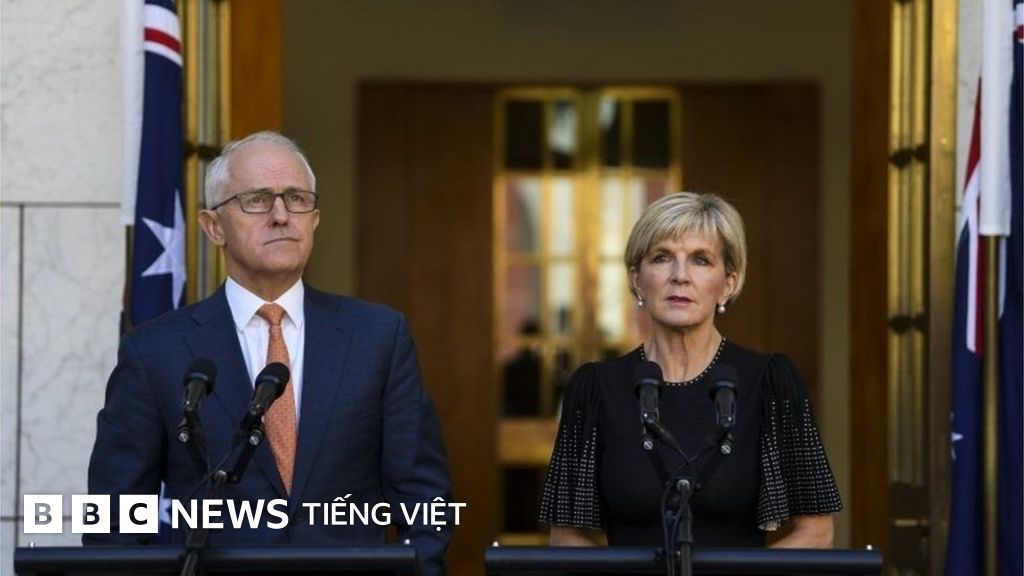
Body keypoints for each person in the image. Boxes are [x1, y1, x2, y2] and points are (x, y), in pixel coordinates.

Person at [86, 131, 453, 575]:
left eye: (296, 199)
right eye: (257, 200)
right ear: (214, 227)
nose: (281, 216)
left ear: (314, 220)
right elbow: (115, 518)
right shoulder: (155, 352)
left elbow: (424, 499)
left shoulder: (378, 338)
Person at [539, 192, 841, 548]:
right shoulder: (594, 389)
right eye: (662, 258)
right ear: (637, 279)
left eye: (701, 260)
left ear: (728, 283)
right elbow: (566, 536)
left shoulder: (770, 383)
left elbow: (817, 532)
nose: (680, 276)